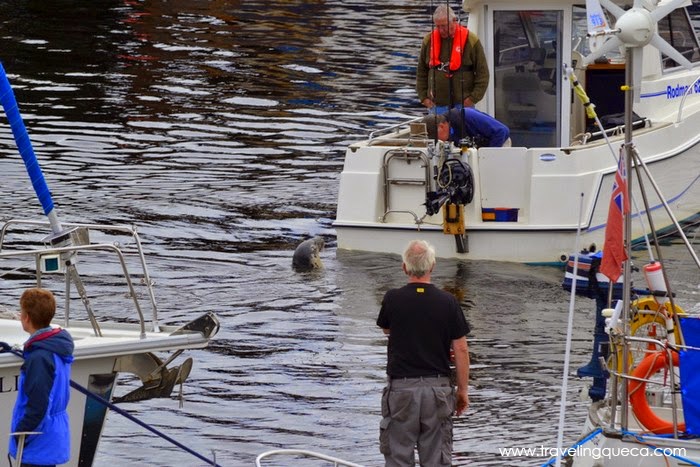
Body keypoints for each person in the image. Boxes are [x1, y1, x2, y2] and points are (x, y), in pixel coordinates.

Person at [377, 240, 470, 466]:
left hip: (401, 391)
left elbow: (387, 329)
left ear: (405, 268)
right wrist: (462, 391)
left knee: (398, 456)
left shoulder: (392, 298)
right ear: (433, 266)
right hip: (437, 391)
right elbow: (461, 348)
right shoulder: (448, 302)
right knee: (437, 458)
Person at [9, 288, 74, 467]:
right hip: (50, 436)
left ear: (26, 317)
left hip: (38, 442)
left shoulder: (39, 358)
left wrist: (21, 433)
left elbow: (38, 405)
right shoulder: (56, 347)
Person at [416, 4, 490, 114]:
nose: (441, 30)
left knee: (463, 131)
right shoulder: (428, 41)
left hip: (463, 105)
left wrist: (473, 99)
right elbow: (421, 71)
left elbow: (483, 73)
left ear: (454, 21)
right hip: (436, 106)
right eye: (438, 26)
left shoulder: (471, 40)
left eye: (444, 26)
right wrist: (423, 98)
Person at [424, 108, 511, 147]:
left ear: (441, 126)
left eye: (436, 137)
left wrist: (488, 155)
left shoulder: (468, 115)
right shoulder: (449, 133)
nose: (438, 141)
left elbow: (501, 131)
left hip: (500, 143)